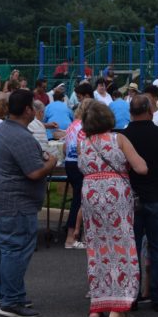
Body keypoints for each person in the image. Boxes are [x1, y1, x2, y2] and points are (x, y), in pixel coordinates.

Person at [0, 90, 57, 317]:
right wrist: (51, 162)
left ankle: (5, 296)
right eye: (32, 107)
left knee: (0, 250)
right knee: (15, 250)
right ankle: (11, 301)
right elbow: (34, 172)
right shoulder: (20, 136)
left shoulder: (3, 128)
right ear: (27, 110)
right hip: (13, 203)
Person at [78, 100, 147, 317]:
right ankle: (119, 308)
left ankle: (97, 307)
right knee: (122, 247)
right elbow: (141, 168)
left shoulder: (84, 143)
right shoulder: (119, 139)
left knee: (97, 248)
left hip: (90, 194)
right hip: (116, 193)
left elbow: (81, 168)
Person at [121, 95, 158, 313]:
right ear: (150, 110)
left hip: (130, 198)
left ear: (130, 112)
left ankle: (132, 296)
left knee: (131, 249)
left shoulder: (122, 136)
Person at [61, 98, 92, 249]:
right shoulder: (86, 127)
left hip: (69, 162)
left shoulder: (72, 125)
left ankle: (74, 235)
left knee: (78, 199)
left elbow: (65, 147)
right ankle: (71, 237)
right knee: (79, 200)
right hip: (80, 163)